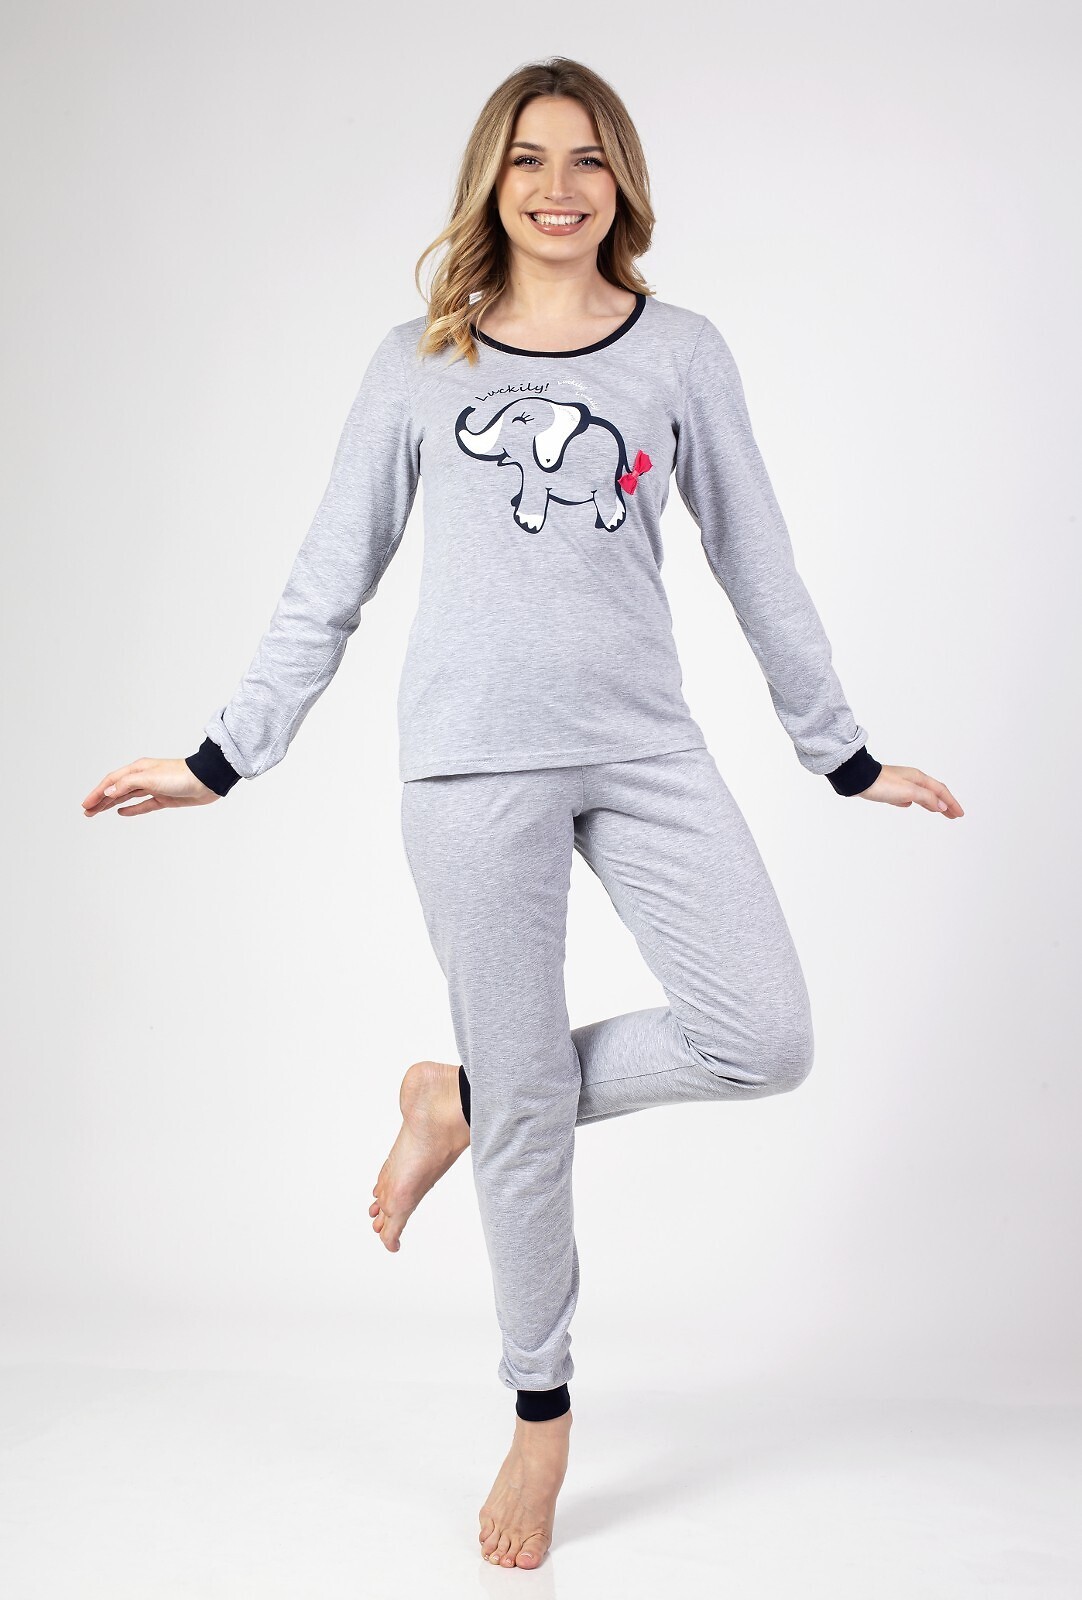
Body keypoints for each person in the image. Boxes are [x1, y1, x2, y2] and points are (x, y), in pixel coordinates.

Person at [80, 56, 963, 1571]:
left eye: (589, 160)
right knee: (538, 1115)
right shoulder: (418, 364)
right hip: (471, 767)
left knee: (763, 1035)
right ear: (490, 180)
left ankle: (469, 1095)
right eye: (531, 160)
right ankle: (539, 1415)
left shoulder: (680, 353)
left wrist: (840, 752)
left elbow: (757, 556)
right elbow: (330, 574)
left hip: (644, 752)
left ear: (624, 184)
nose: (560, 189)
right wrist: (224, 756)